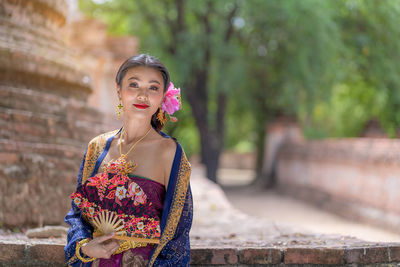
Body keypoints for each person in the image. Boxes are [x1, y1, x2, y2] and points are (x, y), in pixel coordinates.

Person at [64, 54, 193, 267]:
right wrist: (85, 248)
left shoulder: (169, 151)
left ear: (162, 97)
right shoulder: (97, 147)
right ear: (119, 91)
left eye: (153, 88)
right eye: (133, 85)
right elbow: (78, 214)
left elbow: (177, 234)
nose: (143, 95)